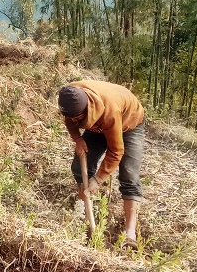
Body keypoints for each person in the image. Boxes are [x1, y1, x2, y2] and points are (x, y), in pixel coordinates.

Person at [58, 80, 146, 249]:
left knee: (129, 175)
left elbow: (116, 152)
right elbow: (70, 120)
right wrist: (77, 139)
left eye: (78, 117)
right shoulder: (70, 98)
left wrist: (98, 179)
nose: (74, 119)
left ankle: (130, 235)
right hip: (96, 126)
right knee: (79, 166)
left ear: (87, 108)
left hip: (129, 124)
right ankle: (86, 219)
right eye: (72, 117)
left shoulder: (109, 112)